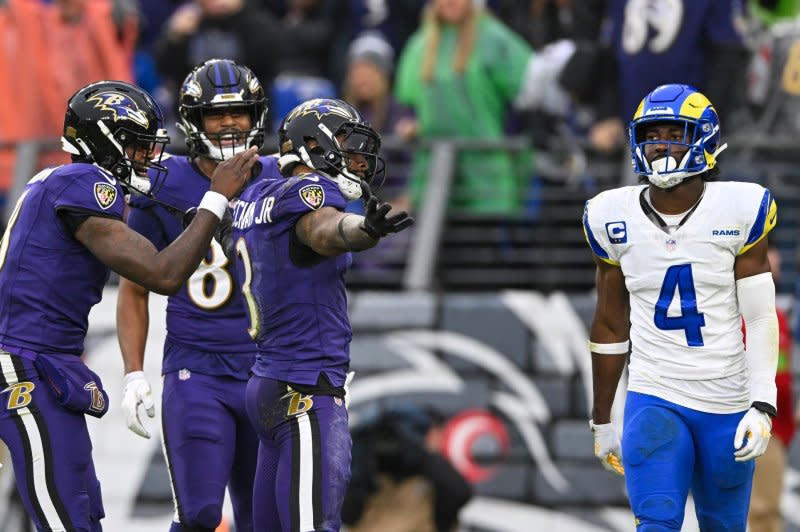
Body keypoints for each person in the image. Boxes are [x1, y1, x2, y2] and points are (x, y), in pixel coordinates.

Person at [0, 80, 257, 532]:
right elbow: (162, 273)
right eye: (139, 146)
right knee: (67, 521)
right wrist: (215, 199)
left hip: (46, 358)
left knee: (81, 510)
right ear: (106, 140)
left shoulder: (61, 181)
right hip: (23, 361)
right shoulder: (85, 182)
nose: (148, 157)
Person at [582, 83, 778, 531]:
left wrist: (762, 403)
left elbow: (760, 316)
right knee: (655, 522)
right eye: (653, 134)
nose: (662, 145)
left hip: (726, 399)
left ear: (704, 139)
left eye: (676, 133)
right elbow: (611, 325)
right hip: (655, 394)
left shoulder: (740, 208)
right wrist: (602, 419)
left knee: (723, 526)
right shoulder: (612, 215)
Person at [232, 98, 414, 531]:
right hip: (305, 390)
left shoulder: (257, 194)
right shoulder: (308, 191)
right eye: (348, 147)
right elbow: (325, 229)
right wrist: (364, 230)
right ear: (313, 144)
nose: (360, 161)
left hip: (266, 384)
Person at [116, 59, 281, 532]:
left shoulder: (279, 177)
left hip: (265, 368)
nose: (231, 123)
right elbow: (134, 286)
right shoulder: (165, 181)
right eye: (216, 114)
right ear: (193, 120)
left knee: (262, 519)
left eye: (240, 113)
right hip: (197, 368)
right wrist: (133, 373)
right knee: (200, 515)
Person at [343, 405, 472, 532]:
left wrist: (420, 453)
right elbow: (348, 515)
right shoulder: (367, 478)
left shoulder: (434, 485)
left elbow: (459, 492)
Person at [748, 240, 795, 532]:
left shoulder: (775, 313)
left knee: (768, 514)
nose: (775, 258)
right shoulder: (744, 313)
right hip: (755, 426)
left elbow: (782, 373)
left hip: (777, 428)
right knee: (761, 514)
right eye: (768, 252)